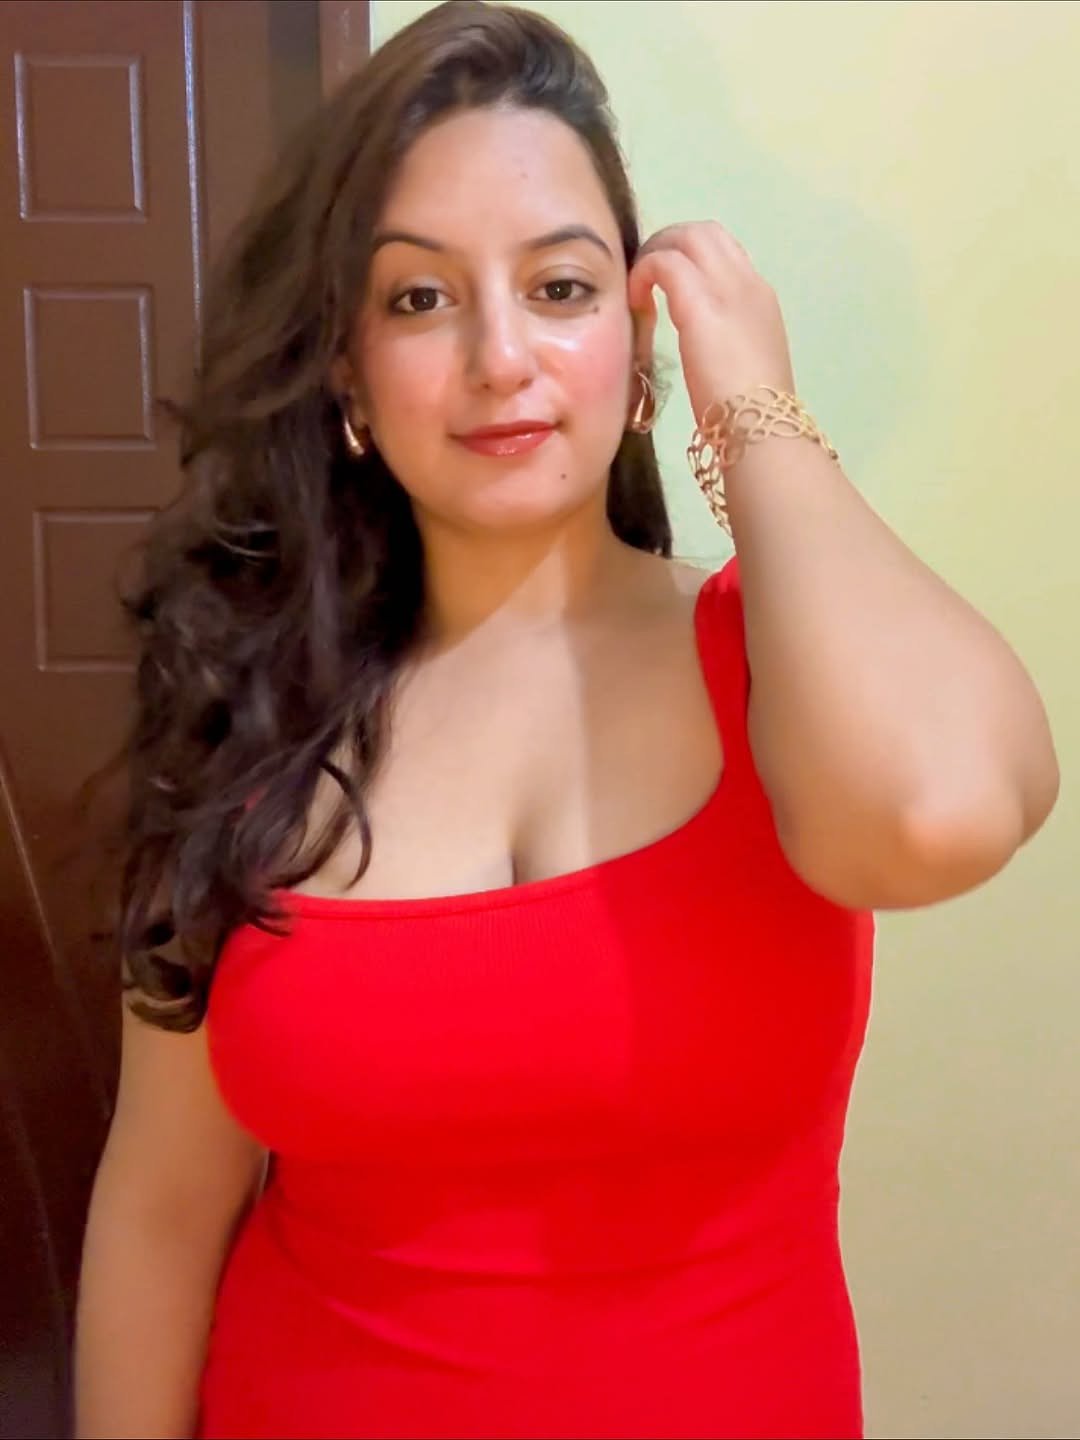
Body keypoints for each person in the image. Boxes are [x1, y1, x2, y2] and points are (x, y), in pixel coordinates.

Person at [72, 3, 1059, 1438]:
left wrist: (754, 407)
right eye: (420, 298)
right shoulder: (253, 715)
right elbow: (161, 1208)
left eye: (561, 287)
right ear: (345, 369)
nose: (500, 356)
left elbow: (939, 815)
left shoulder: (777, 661)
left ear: (636, 335)